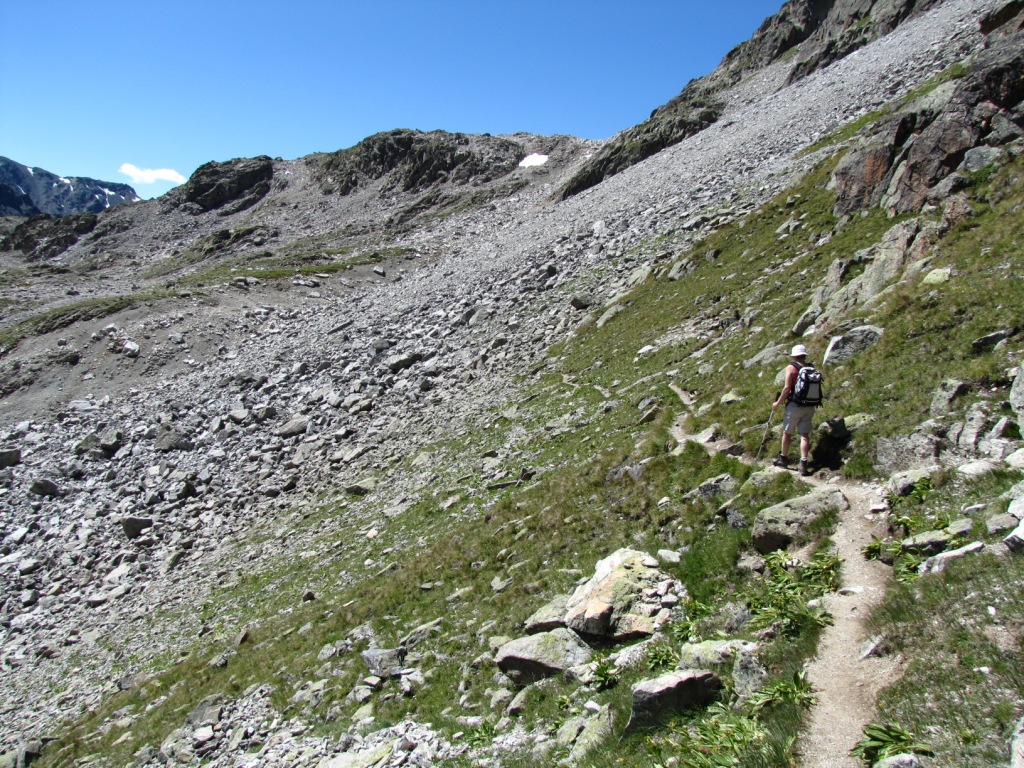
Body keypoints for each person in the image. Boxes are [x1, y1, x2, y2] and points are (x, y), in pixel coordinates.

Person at [771, 344, 815, 476]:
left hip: (794, 405)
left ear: (794, 356)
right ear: (804, 355)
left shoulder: (791, 368)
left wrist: (777, 403)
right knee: (804, 435)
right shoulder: (811, 368)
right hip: (809, 406)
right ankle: (803, 463)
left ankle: (783, 458)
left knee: (787, 432)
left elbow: (786, 388)